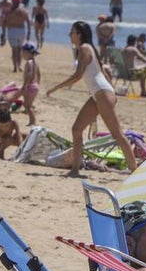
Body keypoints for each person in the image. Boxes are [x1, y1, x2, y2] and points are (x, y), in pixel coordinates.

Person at [45, 21, 138, 176]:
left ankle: (135, 170)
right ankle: (75, 169)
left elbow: (78, 75)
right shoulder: (88, 48)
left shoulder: (84, 48)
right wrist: (112, 92)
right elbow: (103, 72)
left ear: (79, 34)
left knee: (117, 135)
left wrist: (56, 87)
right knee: (76, 129)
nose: (70, 35)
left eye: (72, 32)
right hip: (99, 94)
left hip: (102, 93)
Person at [2, 0, 31, 73]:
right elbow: (28, 22)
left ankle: (15, 67)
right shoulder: (23, 11)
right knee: (20, 50)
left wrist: (3, 33)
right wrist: (29, 33)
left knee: (14, 50)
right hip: (21, 30)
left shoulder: (8, 11)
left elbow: (4, 23)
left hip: (11, 31)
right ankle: (19, 66)